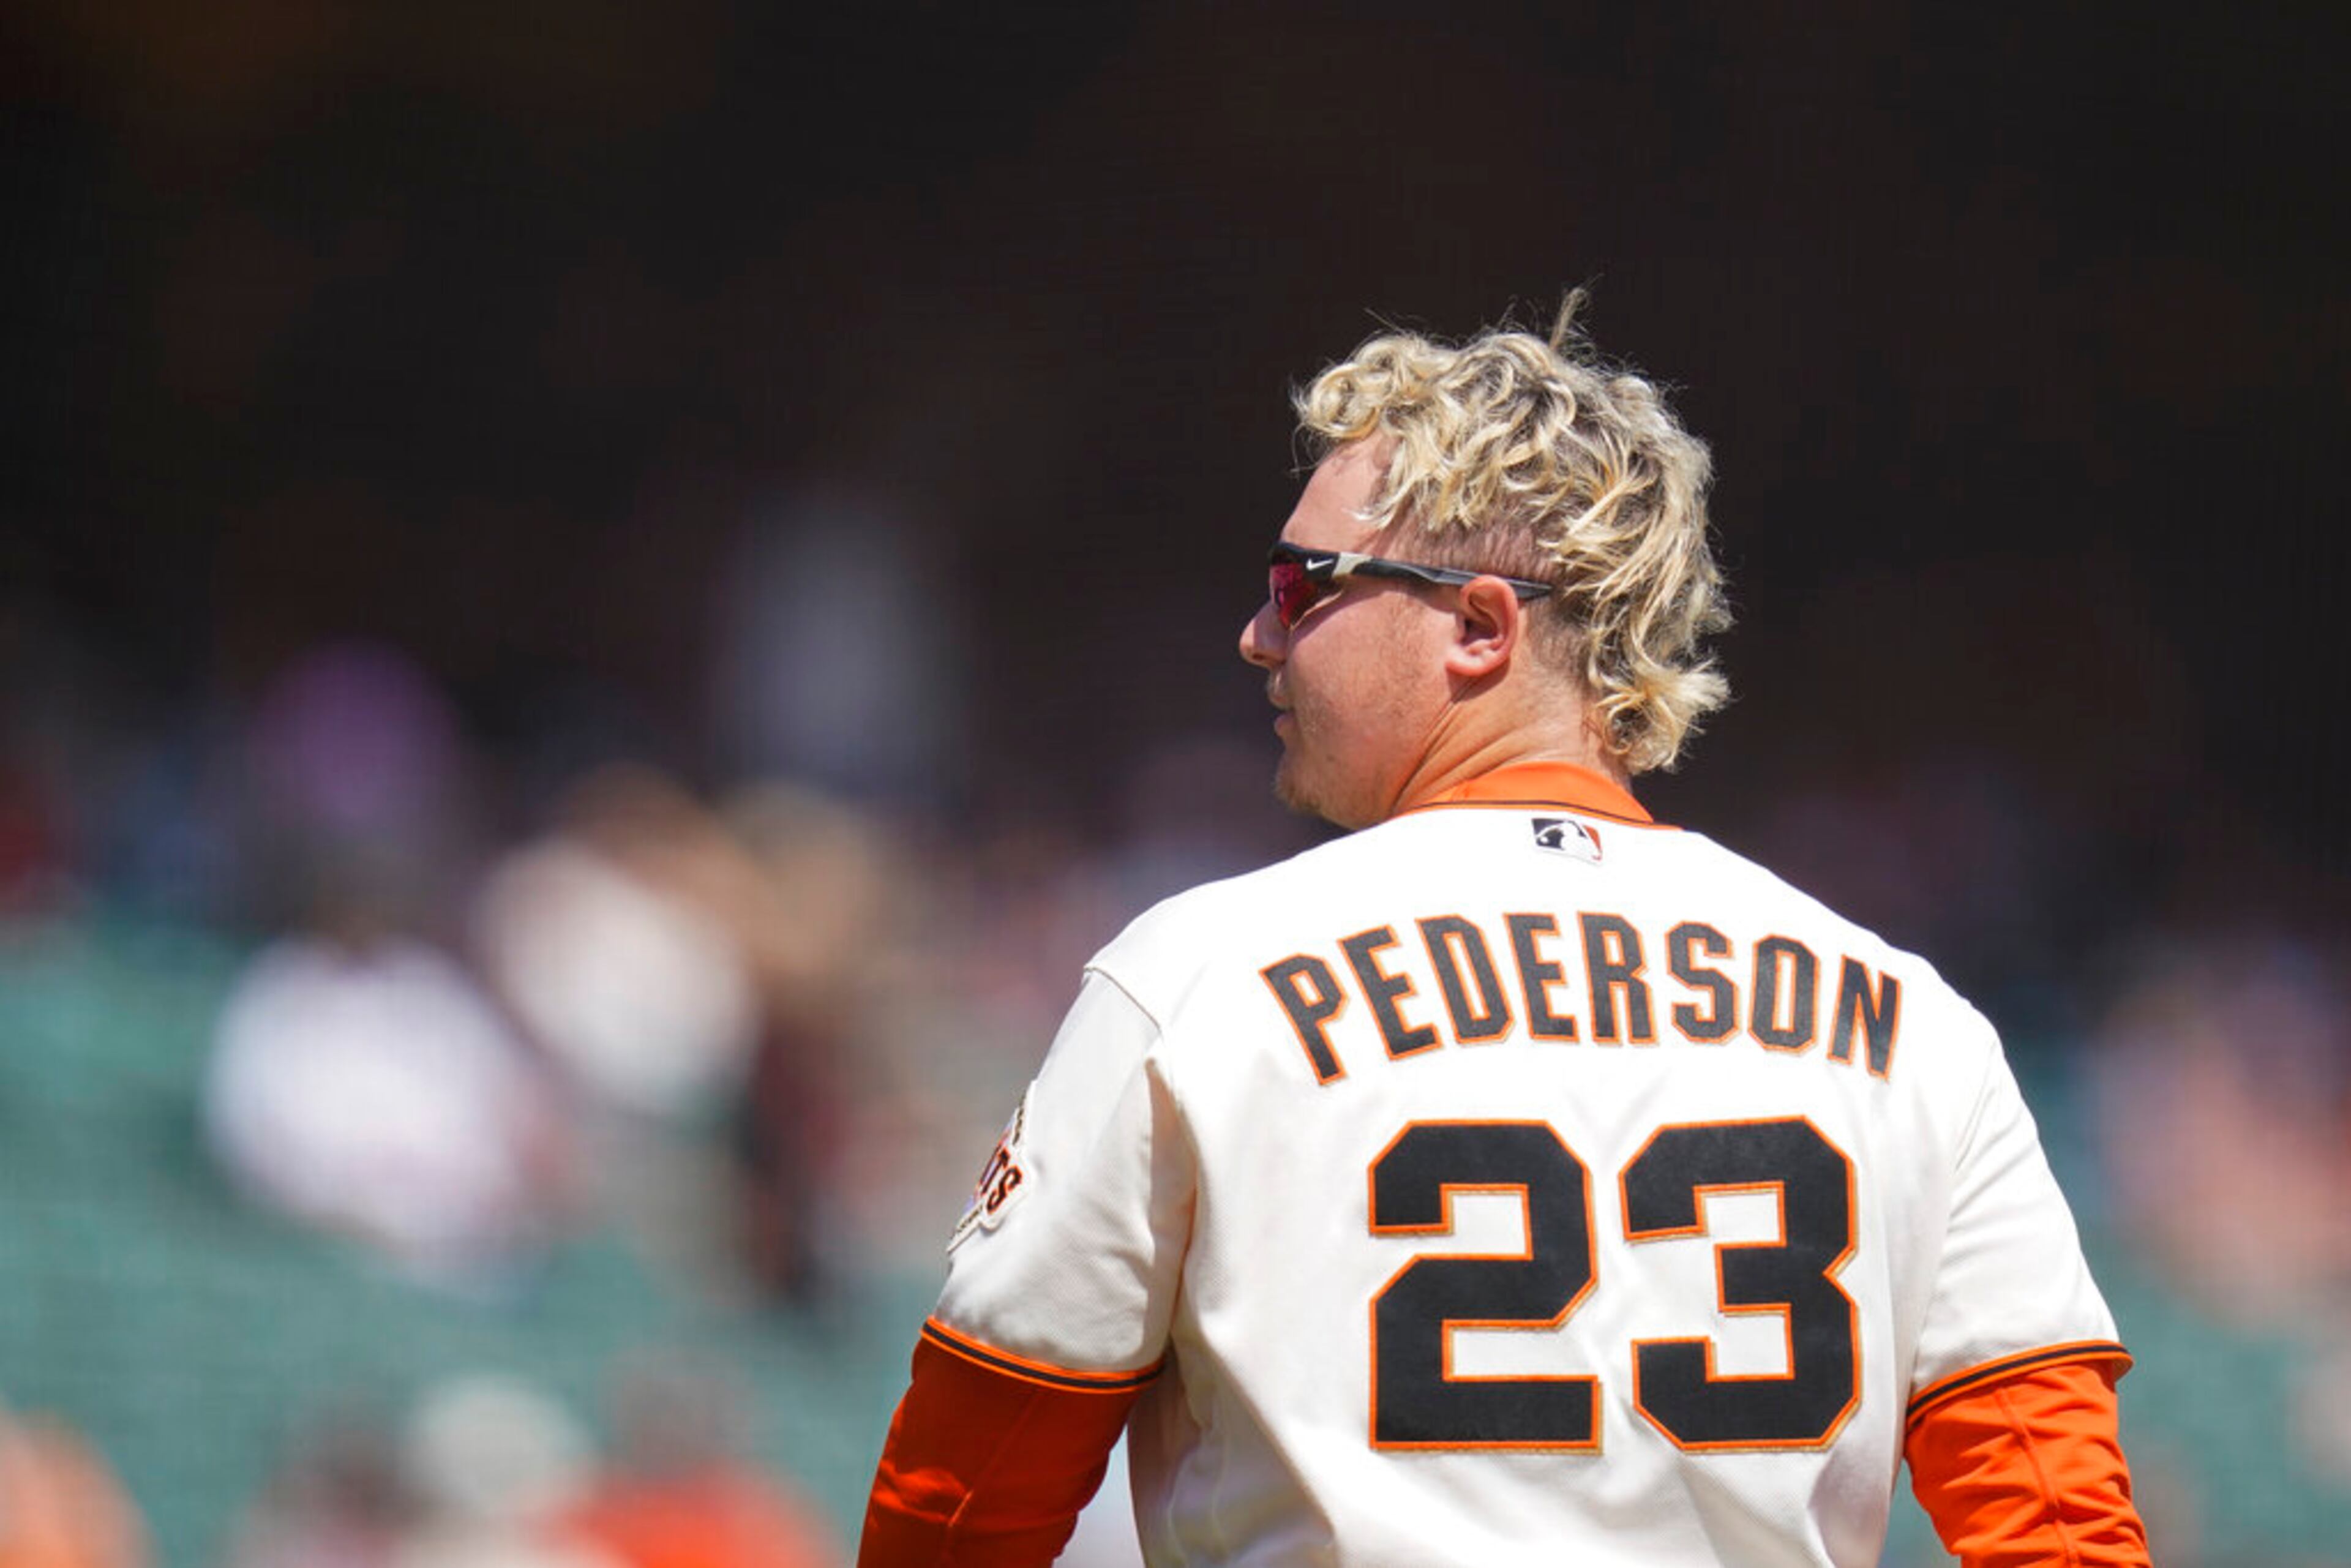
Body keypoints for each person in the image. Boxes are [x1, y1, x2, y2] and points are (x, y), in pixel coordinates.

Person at [858, 299, 2147, 1566]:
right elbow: (2058, 1529)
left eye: (1302, 586)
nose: (1257, 637)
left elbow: (962, 1510)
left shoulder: (1198, 976)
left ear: (1480, 627)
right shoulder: (1912, 1020)